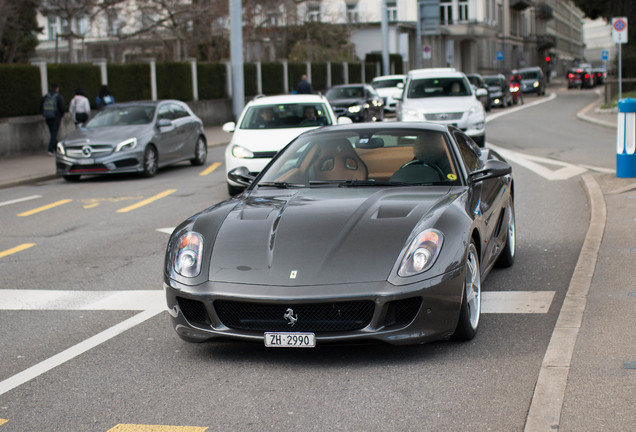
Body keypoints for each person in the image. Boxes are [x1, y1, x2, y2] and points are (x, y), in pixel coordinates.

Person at [40, 83, 65, 156]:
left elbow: (41, 107)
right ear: (57, 89)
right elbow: (62, 108)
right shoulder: (58, 97)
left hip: (48, 117)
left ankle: (55, 148)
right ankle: (50, 149)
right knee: (54, 134)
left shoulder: (45, 97)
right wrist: (61, 115)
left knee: (52, 133)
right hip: (56, 118)